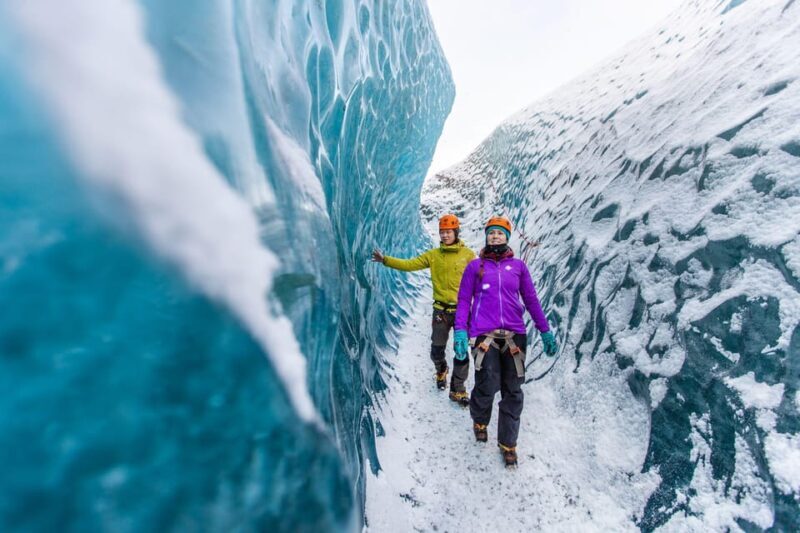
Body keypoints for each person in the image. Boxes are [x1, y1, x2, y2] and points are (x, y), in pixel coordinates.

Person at [453, 216, 558, 467]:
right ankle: (480, 420)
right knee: (486, 383)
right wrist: (460, 331)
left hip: (515, 336)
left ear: (507, 237)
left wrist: (544, 330)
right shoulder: (475, 267)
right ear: (486, 237)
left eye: (500, 233)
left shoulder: (519, 267)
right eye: (491, 233)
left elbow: (531, 300)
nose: (495, 236)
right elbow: (464, 300)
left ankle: (508, 443)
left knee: (513, 390)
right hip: (484, 336)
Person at [372, 214, 476, 404]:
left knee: (461, 351)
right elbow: (410, 265)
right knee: (436, 350)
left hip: (462, 311)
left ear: (456, 232)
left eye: (449, 232)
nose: (445, 235)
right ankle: (441, 369)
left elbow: (479, 278)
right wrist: (385, 260)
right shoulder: (433, 255)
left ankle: (458, 389)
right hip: (440, 311)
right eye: (442, 232)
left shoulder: (468, 255)